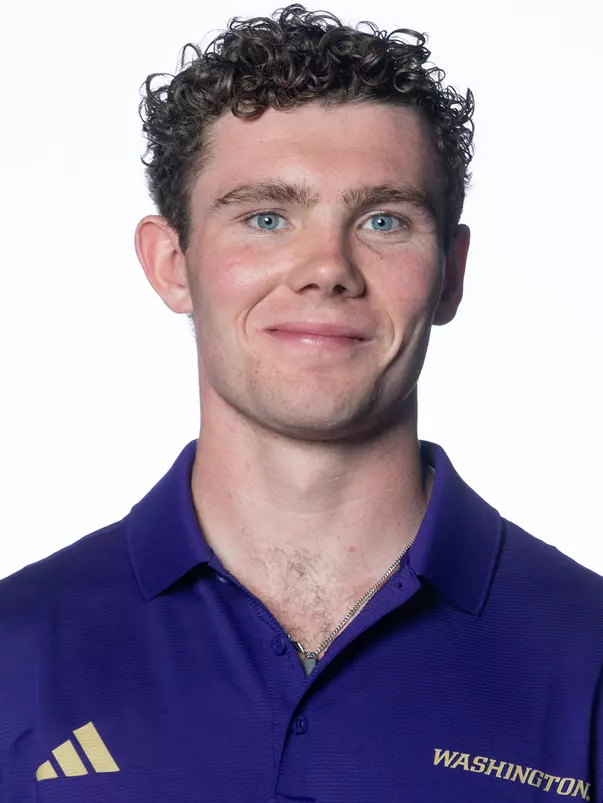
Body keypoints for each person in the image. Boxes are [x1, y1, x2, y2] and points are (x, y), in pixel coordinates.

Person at [1, 4, 601, 801]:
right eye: (266, 217)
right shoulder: (18, 651)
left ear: (450, 272)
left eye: (384, 219)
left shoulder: (588, 655)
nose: (327, 268)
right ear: (171, 263)